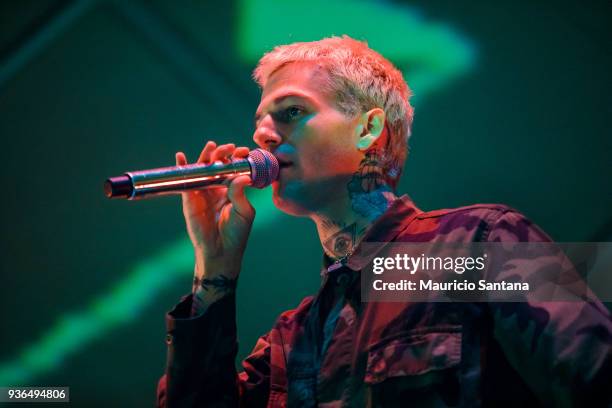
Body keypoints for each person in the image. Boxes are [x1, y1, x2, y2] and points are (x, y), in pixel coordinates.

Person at [156, 36, 611, 407]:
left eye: (291, 111)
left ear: (367, 129)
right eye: (260, 121)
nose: (262, 134)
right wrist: (214, 270)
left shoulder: (476, 246)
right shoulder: (288, 341)